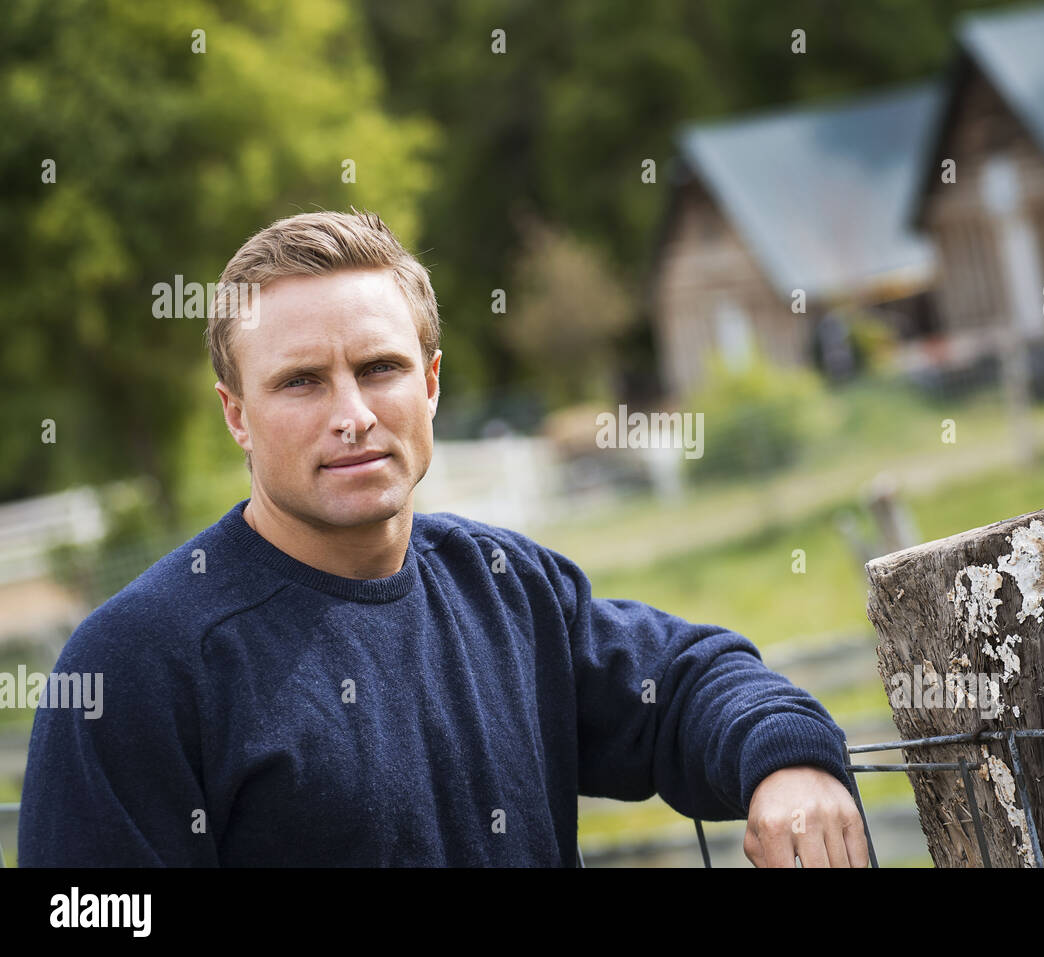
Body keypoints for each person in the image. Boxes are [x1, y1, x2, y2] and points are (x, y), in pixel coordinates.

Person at [20, 209, 870, 868]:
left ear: (430, 383)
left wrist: (787, 761)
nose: (352, 416)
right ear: (236, 413)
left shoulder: (507, 587)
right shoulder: (133, 668)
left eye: (380, 368)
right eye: (301, 382)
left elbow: (687, 683)